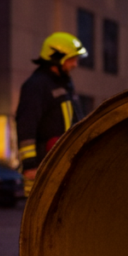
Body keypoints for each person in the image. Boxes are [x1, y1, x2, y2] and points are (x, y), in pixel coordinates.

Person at [15, 32, 88, 194]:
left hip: (63, 161)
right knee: (41, 216)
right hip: (43, 165)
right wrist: (30, 165)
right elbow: (26, 126)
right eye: (71, 59)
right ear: (56, 58)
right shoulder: (36, 86)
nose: (75, 64)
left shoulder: (65, 83)